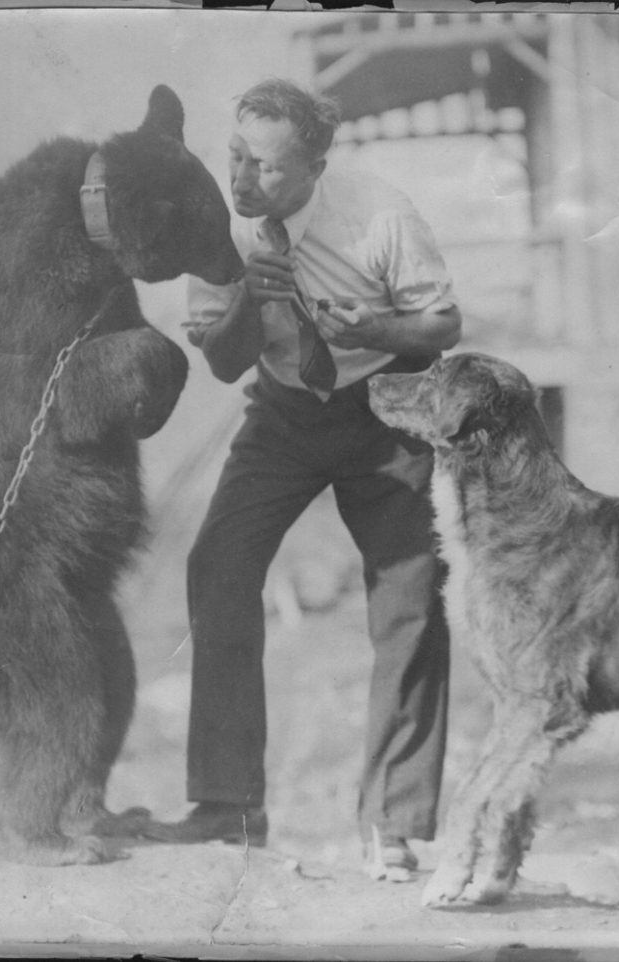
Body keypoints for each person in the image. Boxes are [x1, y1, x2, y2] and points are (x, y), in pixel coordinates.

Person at [165, 78, 461, 877]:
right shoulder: (215, 222)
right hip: (283, 412)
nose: (241, 179)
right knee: (218, 565)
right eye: (234, 156)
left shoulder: (379, 211)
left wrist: (377, 326)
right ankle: (228, 805)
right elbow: (225, 364)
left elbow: (441, 325)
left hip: (384, 410)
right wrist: (246, 311)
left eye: (264, 168)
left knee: (412, 596)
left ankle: (392, 821)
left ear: (315, 167)